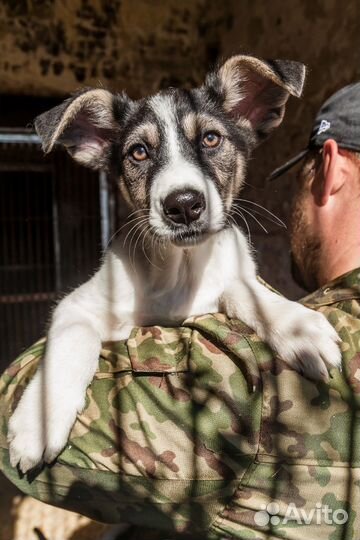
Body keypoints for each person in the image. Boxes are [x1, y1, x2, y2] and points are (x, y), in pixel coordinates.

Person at [1, 83, 360, 540]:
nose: (181, 191)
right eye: (138, 153)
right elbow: (80, 313)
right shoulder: (124, 270)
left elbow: (237, 287)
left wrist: (265, 307)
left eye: (209, 139)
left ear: (251, 117)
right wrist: (62, 381)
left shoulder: (233, 256)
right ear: (99, 147)